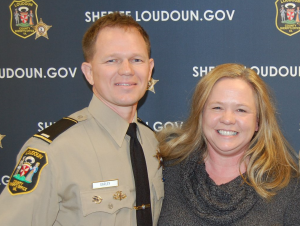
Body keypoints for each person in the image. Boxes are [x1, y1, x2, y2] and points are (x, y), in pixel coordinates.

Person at [0, 12, 163, 226]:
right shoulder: (52, 151)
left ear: (149, 69)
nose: (127, 70)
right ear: (89, 72)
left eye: (136, 60)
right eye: (112, 60)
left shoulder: (153, 144)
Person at [157, 63, 300, 226]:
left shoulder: (288, 188)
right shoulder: (165, 174)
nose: (227, 119)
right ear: (201, 115)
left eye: (241, 110)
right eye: (217, 107)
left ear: (257, 122)